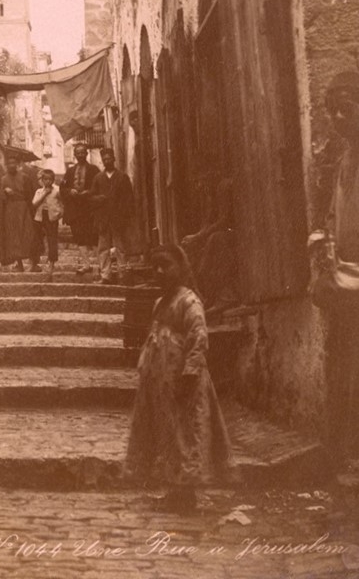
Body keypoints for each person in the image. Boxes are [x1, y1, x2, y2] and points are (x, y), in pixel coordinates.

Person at [125, 244, 232, 512]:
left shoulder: (189, 301)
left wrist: (190, 373)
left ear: (181, 269)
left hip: (184, 382)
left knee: (186, 436)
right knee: (168, 435)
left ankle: (186, 494)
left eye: (166, 265)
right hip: (161, 383)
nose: (160, 271)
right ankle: (174, 489)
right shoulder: (160, 303)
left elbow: (199, 339)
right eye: (155, 267)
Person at [309, 71, 359, 467]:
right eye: (333, 112)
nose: (339, 118)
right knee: (344, 370)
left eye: (347, 109)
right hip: (347, 287)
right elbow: (333, 215)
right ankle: (344, 455)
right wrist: (323, 240)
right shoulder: (345, 160)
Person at [181, 176, 240, 312]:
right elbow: (207, 223)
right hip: (221, 234)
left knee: (216, 240)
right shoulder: (208, 194)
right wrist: (195, 237)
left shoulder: (223, 186)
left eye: (200, 180)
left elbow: (224, 221)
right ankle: (206, 297)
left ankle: (226, 296)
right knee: (192, 248)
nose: (199, 185)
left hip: (236, 234)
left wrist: (199, 236)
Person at [91, 148, 136, 284]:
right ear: (102, 161)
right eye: (104, 159)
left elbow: (129, 198)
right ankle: (106, 275)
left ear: (114, 159)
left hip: (118, 217)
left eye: (109, 158)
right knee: (103, 248)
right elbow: (91, 197)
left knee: (120, 247)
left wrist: (125, 215)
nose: (107, 161)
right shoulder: (98, 178)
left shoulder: (122, 177)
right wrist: (98, 199)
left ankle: (123, 274)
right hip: (103, 218)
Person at [61, 143, 100, 274]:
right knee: (79, 237)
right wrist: (69, 191)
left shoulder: (94, 170)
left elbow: (99, 187)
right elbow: (62, 188)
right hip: (75, 209)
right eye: (78, 153)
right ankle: (86, 264)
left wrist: (88, 192)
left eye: (83, 152)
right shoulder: (70, 171)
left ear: (87, 154)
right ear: (75, 155)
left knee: (94, 237)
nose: (80, 155)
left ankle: (100, 265)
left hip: (90, 209)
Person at [0, 152, 36, 272]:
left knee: (27, 234)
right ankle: (19, 264)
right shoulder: (3, 179)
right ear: (6, 165)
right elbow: (0, 198)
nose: (11, 165)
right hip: (10, 210)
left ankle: (34, 263)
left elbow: (30, 194)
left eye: (13, 163)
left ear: (17, 164)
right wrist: (5, 193)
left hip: (23, 208)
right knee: (13, 236)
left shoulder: (25, 177)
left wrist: (31, 210)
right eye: (9, 163)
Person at [31, 168, 63, 274]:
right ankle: (35, 262)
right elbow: (34, 204)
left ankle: (52, 263)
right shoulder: (39, 191)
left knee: (52, 239)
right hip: (39, 217)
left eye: (50, 179)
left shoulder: (57, 190)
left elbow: (63, 203)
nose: (47, 181)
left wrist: (59, 214)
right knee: (37, 239)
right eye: (45, 179)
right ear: (42, 180)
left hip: (52, 217)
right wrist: (44, 194)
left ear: (53, 180)